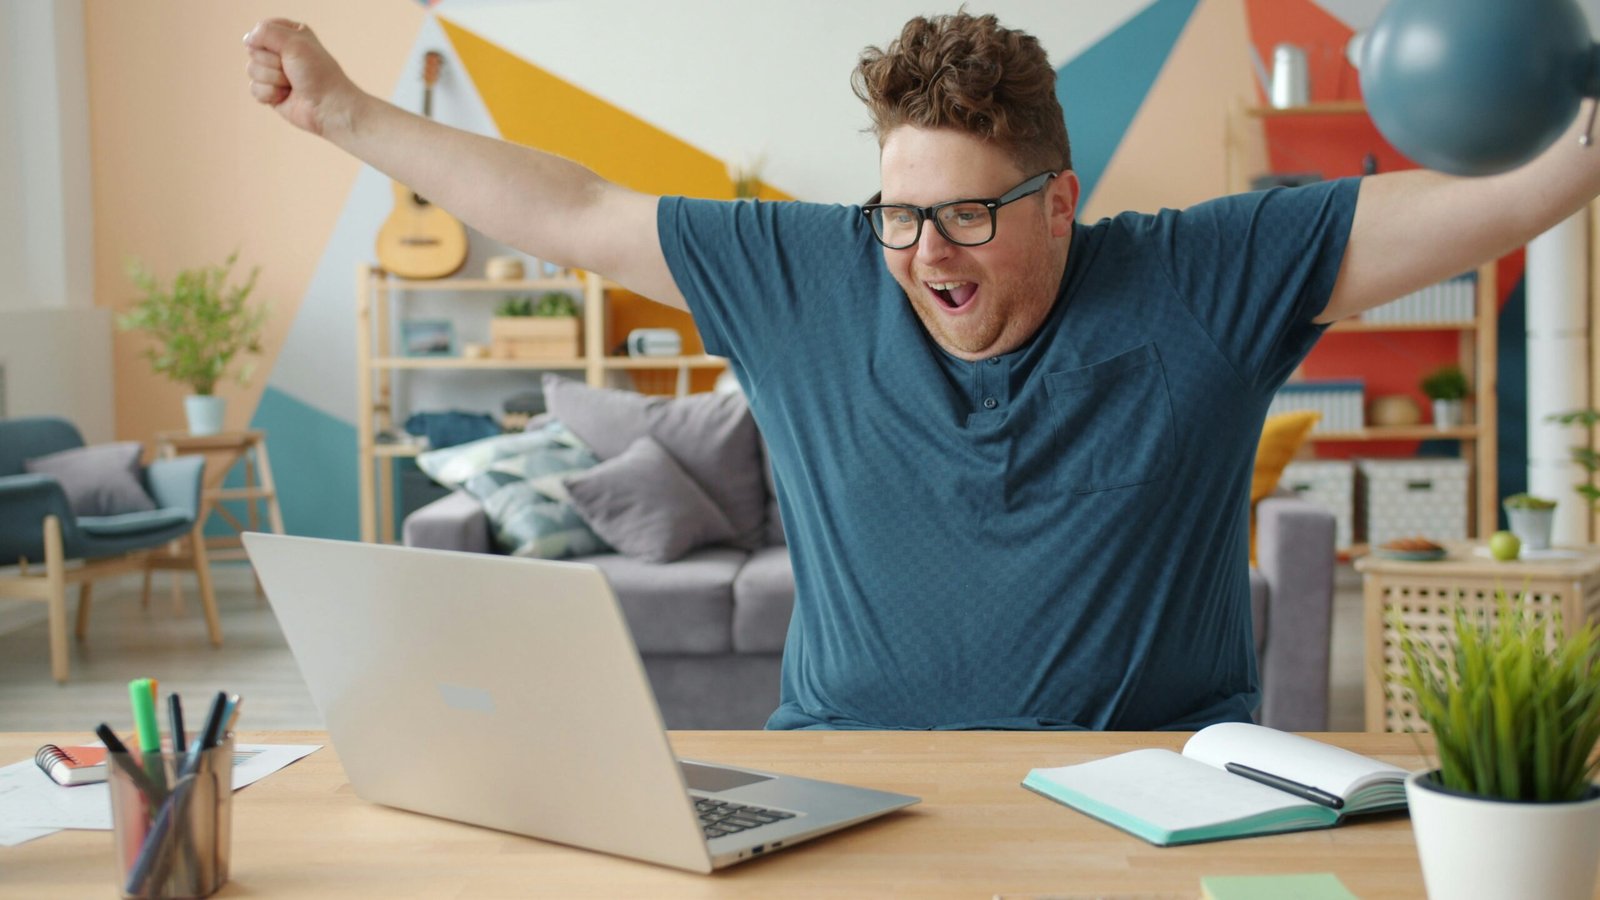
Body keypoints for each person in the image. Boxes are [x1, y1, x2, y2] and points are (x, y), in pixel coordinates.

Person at [244, 12, 1600, 730]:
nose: (922, 252)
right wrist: (350, 114)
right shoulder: (813, 272)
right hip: (852, 783)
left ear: (1060, 204)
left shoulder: (1201, 278)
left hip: (1150, 787)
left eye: (967, 216)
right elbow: (575, 207)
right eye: (900, 213)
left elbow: (1471, 209)